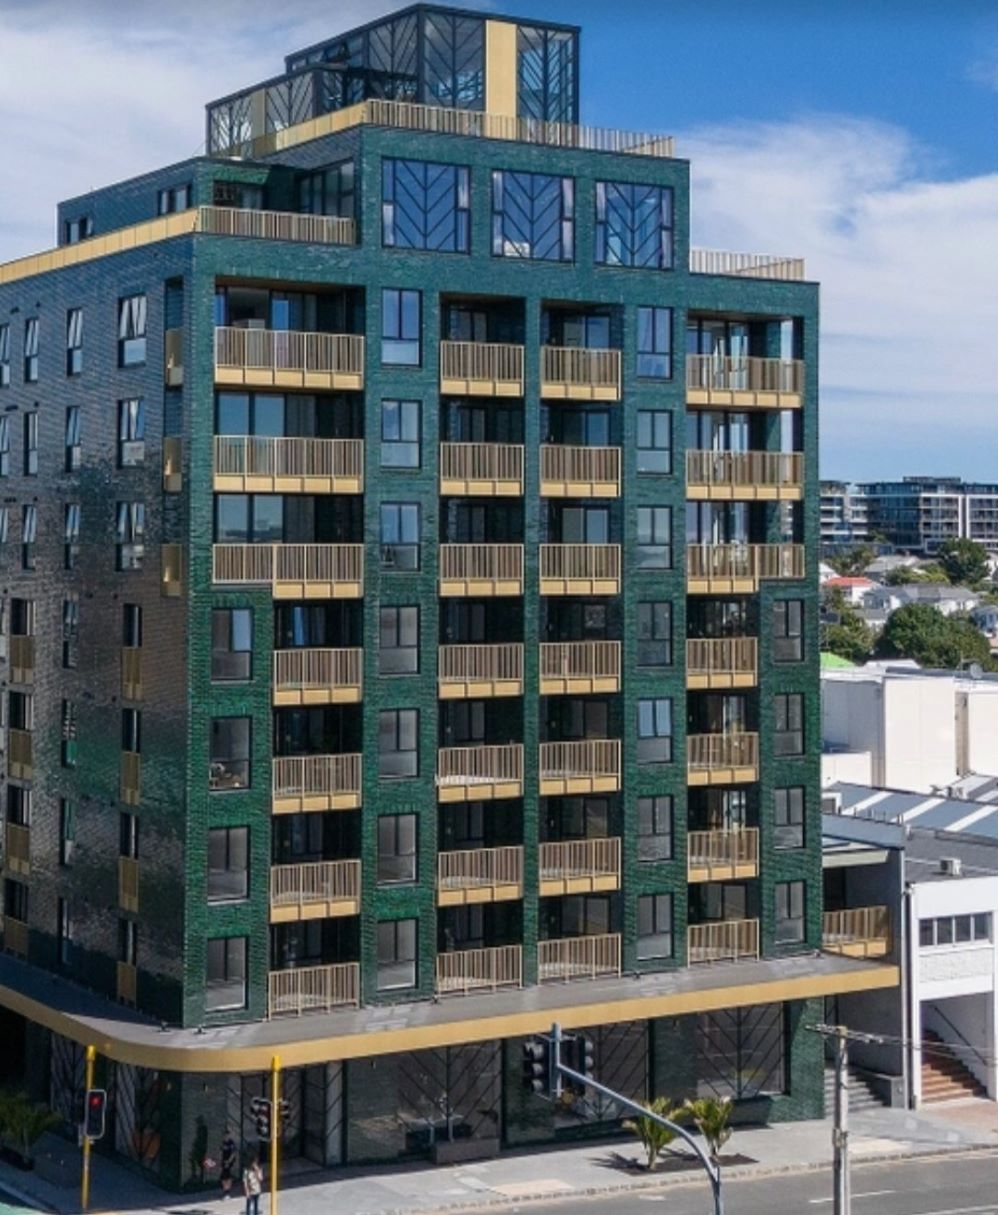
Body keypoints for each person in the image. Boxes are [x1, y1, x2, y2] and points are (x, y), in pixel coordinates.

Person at [219, 1131, 238, 1198]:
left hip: (229, 1162)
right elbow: (221, 1152)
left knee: (228, 1176)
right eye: (224, 1135)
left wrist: (229, 1161)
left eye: (227, 1135)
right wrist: (220, 1160)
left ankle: (227, 1192)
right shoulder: (223, 1143)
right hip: (224, 1161)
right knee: (223, 1177)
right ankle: (225, 1191)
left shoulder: (231, 1143)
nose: (225, 1137)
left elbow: (233, 1153)